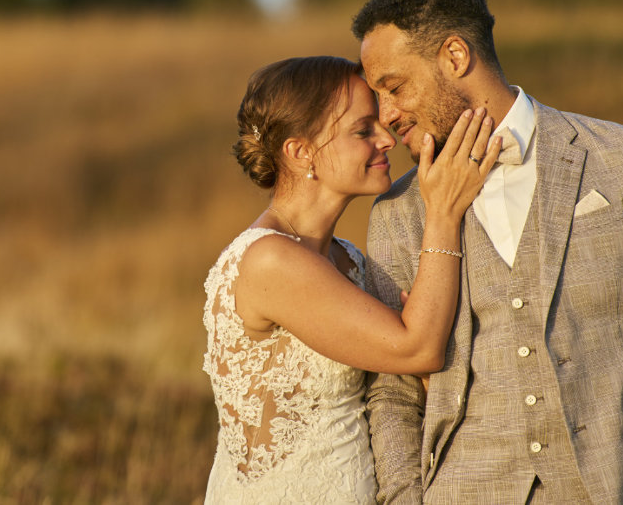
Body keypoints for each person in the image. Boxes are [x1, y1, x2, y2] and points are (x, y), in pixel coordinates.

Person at [352, 0, 623, 504]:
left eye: (394, 87)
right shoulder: (397, 213)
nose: (386, 115)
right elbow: (393, 392)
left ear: (455, 56)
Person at [202, 55, 501, 503]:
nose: (387, 138)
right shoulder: (269, 260)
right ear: (300, 152)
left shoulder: (349, 261)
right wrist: (442, 212)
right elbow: (418, 347)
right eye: (363, 131)